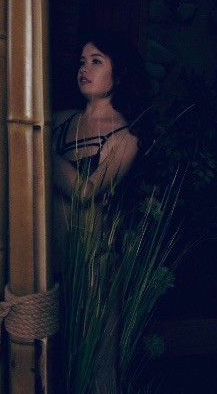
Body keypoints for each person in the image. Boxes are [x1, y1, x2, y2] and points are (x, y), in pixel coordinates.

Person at [52, 31, 152, 272]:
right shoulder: (59, 120)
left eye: (96, 61)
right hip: (42, 263)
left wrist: (39, 150)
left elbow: (84, 193)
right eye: (82, 62)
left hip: (89, 270)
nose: (84, 68)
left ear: (119, 74)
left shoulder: (126, 137)